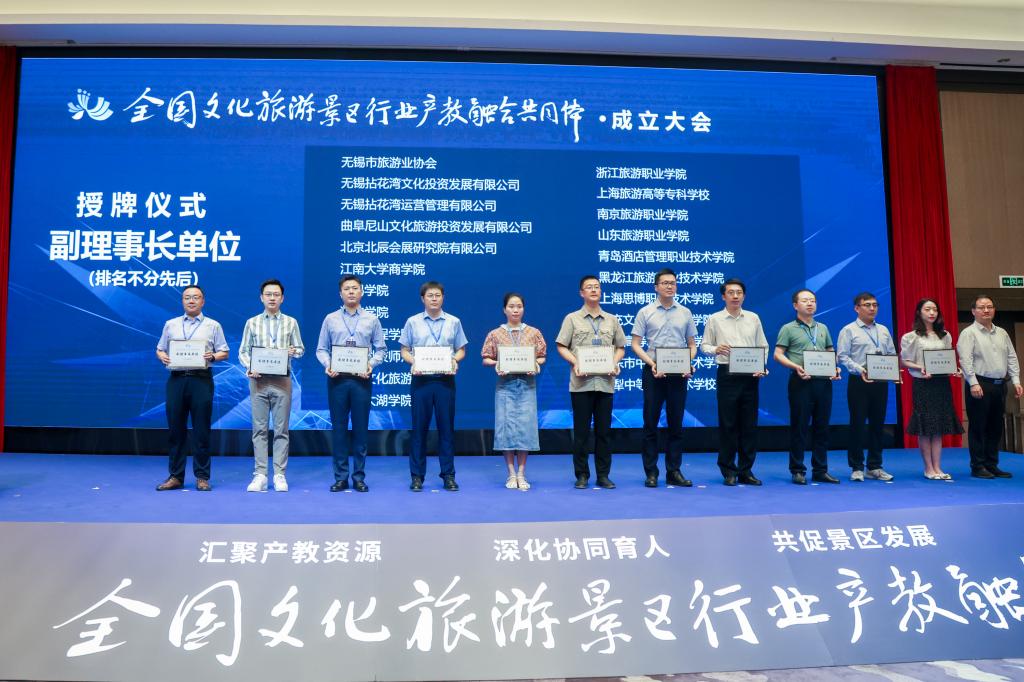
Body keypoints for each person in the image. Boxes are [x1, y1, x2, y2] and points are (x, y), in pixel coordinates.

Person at [154, 285, 229, 491]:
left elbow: (224, 352)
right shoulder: (171, 324)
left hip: (201, 380)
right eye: (187, 297)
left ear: (203, 301)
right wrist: (162, 356)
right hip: (177, 380)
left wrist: (212, 356)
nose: (191, 301)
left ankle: (202, 476)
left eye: (196, 297)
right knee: (175, 430)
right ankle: (175, 476)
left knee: (201, 430)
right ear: (182, 301)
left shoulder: (213, 325)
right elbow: (159, 349)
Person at [316, 275, 386, 493]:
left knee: (360, 430)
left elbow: (381, 349)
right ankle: (340, 477)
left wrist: (370, 365)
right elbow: (321, 349)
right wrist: (328, 364)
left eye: (355, 288)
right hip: (337, 380)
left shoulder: (372, 319)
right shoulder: (330, 319)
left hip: (361, 380)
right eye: (347, 289)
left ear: (362, 292)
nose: (351, 292)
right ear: (341, 294)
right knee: (339, 429)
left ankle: (359, 477)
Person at [556, 275, 627, 490]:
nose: (594, 290)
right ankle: (582, 475)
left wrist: (614, 362)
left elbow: (621, 347)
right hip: (581, 384)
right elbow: (561, 346)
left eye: (597, 287)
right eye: (589, 287)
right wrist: (575, 361)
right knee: (581, 433)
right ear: (582, 293)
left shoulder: (611, 320)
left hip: (605, 383)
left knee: (604, 433)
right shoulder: (572, 319)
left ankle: (603, 475)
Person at [630, 268, 697, 488]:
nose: (670, 286)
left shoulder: (685, 312)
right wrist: (652, 364)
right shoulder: (645, 312)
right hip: (653, 372)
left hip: (679, 374)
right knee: (650, 423)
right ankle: (651, 472)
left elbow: (692, 345)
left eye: (673, 283)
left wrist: (688, 363)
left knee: (676, 423)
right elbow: (635, 344)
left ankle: (673, 471)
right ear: (656, 287)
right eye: (665, 283)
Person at [400, 281, 468, 492]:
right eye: (430, 295)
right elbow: (404, 350)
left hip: (445, 381)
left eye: (437, 295)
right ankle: (417, 476)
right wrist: (414, 362)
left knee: (446, 430)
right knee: (419, 430)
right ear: (423, 299)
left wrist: (454, 360)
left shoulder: (454, 321)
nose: (434, 298)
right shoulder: (412, 322)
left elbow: (461, 349)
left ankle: (448, 475)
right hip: (421, 381)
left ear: (443, 297)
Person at [701, 278, 769, 486]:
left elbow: (763, 346)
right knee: (728, 423)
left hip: (750, 375)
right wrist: (716, 349)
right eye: (731, 292)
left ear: (744, 296)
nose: (735, 296)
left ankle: (746, 470)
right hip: (727, 374)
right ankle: (728, 470)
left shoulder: (753, 318)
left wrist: (762, 366)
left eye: (739, 292)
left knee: (749, 424)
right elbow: (704, 345)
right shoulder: (714, 319)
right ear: (723, 296)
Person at [239, 279, 305, 492]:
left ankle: (279, 474)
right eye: (268, 294)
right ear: (262, 297)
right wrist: (250, 367)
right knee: (259, 429)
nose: (272, 298)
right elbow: (243, 351)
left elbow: (301, 349)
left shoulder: (291, 322)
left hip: (282, 381)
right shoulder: (252, 322)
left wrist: (293, 351)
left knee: (281, 430)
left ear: (282, 298)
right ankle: (260, 474)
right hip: (258, 381)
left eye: (276, 294)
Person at [774, 288, 841, 485]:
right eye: (805, 300)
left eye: (812, 300)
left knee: (822, 427)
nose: (810, 303)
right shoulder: (788, 328)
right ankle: (797, 470)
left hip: (823, 382)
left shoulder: (823, 328)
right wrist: (795, 367)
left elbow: (830, 351)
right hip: (801, 381)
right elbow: (778, 354)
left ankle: (820, 470)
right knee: (800, 426)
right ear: (795, 305)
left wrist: (835, 368)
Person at [481, 293, 547, 490]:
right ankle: (511, 473)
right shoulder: (495, 334)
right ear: (505, 310)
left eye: (519, 306)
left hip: (527, 385)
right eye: (511, 306)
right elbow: (486, 358)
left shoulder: (534, 332)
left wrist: (535, 364)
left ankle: (521, 473)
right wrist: (496, 364)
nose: (515, 310)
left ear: (523, 309)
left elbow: (542, 356)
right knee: (506, 430)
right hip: (505, 386)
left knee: (526, 429)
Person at [957, 295, 1022, 479]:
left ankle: (992, 464)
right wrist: (973, 382)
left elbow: (1011, 357)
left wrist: (1016, 380)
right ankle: (978, 466)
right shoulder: (968, 333)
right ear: (973, 311)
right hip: (979, 384)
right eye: (981, 307)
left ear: (994, 309)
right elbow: (965, 360)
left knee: (995, 427)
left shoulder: (1002, 333)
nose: (986, 310)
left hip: (1000, 385)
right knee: (978, 427)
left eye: (989, 307)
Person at [835, 292, 897, 482]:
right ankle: (856, 467)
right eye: (867, 305)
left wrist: (893, 372)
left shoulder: (883, 330)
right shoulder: (849, 330)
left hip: (880, 382)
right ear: (857, 308)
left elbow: (891, 354)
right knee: (858, 424)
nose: (872, 308)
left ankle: (875, 466)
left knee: (878, 425)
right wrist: (860, 369)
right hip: (859, 382)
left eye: (875, 305)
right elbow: (842, 356)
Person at [900, 298, 964, 480]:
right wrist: (920, 367)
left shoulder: (945, 335)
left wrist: (955, 369)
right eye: (927, 309)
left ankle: (938, 467)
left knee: (938, 427)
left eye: (935, 309)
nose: (932, 313)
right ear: (919, 312)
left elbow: (947, 359)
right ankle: (928, 468)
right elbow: (904, 361)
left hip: (941, 384)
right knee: (926, 426)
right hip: (923, 384)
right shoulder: (911, 337)